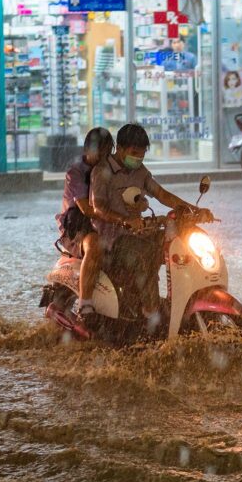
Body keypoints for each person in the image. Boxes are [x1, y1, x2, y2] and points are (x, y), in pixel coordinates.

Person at [90, 123, 210, 329]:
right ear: (120, 148)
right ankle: (151, 313)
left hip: (139, 233)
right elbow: (98, 208)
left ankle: (181, 302)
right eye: (134, 153)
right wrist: (124, 220)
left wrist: (193, 211)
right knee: (144, 253)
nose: (138, 159)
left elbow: (161, 194)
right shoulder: (102, 171)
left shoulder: (140, 171)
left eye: (142, 155)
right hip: (113, 240)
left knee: (177, 243)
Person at [55, 127, 115, 321]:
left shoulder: (112, 170)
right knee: (95, 245)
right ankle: (85, 304)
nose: (103, 157)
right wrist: (120, 218)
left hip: (104, 224)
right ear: (87, 149)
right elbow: (87, 210)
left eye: (107, 152)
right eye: (100, 151)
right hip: (78, 228)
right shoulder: (76, 173)